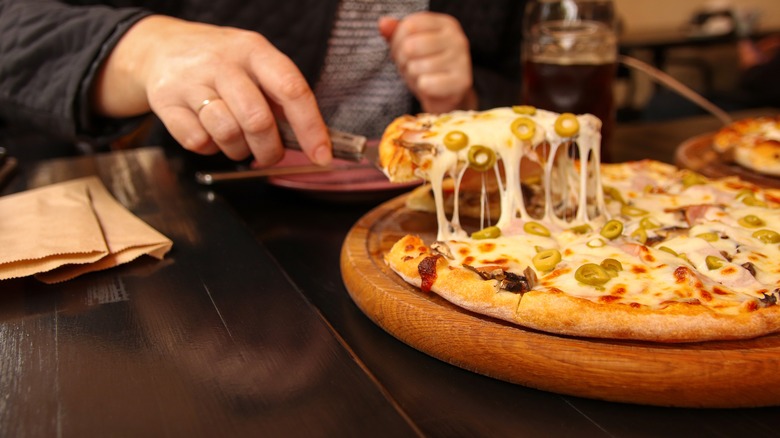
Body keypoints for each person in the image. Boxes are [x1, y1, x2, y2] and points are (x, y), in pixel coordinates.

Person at [0, 1, 526, 166]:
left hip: (415, 218)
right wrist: (143, 47)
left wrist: (465, 98)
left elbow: (512, 90)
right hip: (212, 222)